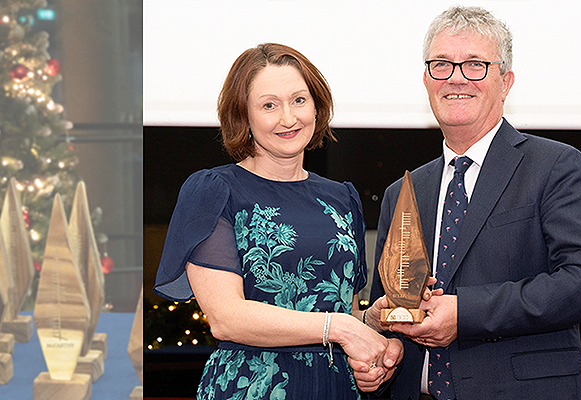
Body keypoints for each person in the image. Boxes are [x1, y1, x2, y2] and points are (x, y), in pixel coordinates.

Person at [354, 6, 581, 400]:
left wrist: (466, 313)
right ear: (426, 80)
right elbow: (392, 303)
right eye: (441, 64)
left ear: (505, 81)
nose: (456, 78)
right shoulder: (403, 191)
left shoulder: (555, 166)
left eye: (475, 65)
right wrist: (377, 332)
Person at [153, 43, 400, 399]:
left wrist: (369, 323)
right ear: (244, 116)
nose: (288, 118)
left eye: (299, 100)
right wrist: (342, 327)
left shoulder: (342, 198)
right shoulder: (215, 190)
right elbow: (226, 318)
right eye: (269, 105)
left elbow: (336, 311)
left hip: (335, 387)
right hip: (252, 386)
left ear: (317, 106)